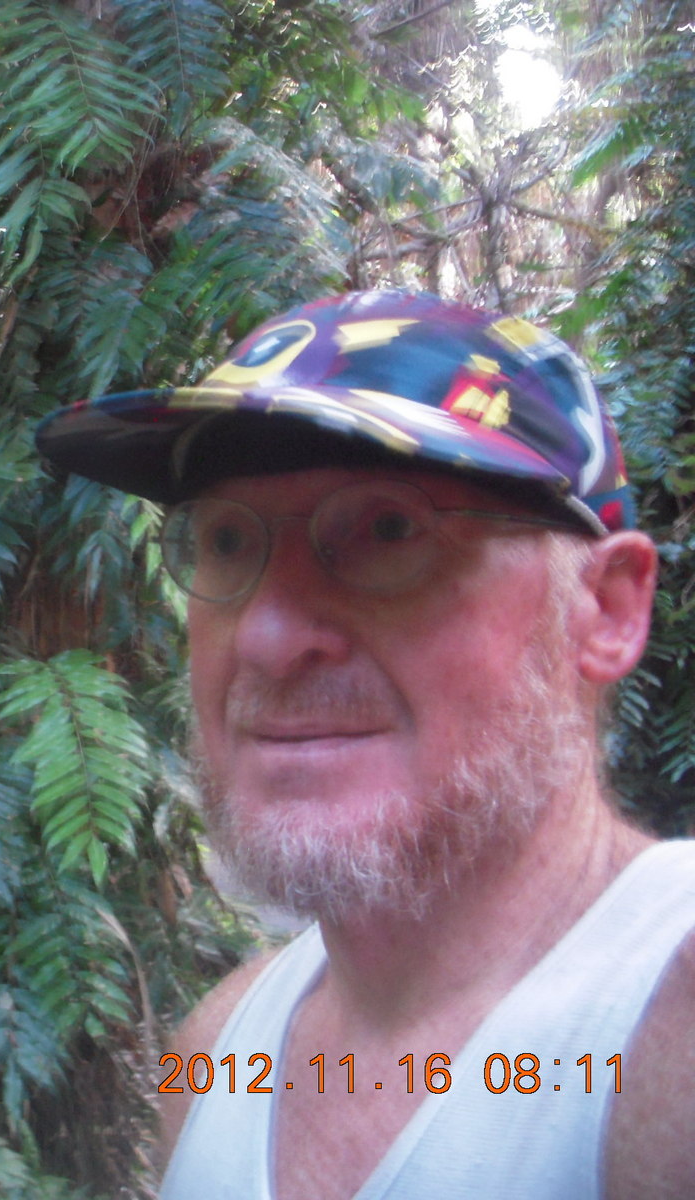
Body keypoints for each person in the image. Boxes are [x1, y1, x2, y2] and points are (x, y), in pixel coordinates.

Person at [34, 290, 695, 1199]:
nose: (266, 638)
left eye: (388, 529)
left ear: (605, 610)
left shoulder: (669, 1033)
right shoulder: (216, 1057)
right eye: (225, 540)